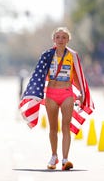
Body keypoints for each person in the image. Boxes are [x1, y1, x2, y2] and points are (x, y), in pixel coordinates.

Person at [20, 27, 94, 170]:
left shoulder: (73, 56)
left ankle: (65, 159)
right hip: (52, 94)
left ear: (68, 39)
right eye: (58, 37)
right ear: (53, 39)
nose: (61, 40)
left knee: (66, 126)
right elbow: (39, 75)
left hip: (67, 93)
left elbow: (78, 76)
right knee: (53, 127)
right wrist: (34, 92)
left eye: (64, 37)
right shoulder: (47, 55)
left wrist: (82, 93)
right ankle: (54, 156)